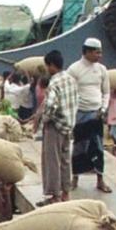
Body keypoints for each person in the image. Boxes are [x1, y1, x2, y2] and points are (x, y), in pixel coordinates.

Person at [68, 37, 112, 194]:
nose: (100, 55)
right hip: (80, 114)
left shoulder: (102, 70)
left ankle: (100, 180)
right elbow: (69, 93)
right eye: (96, 52)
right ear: (87, 51)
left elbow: (106, 92)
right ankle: (75, 178)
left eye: (100, 52)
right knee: (79, 147)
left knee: (98, 147)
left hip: (97, 113)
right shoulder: (74, 69)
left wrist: (103, 108)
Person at [37, 50, 76, 206]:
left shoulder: (54, 83)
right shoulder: (71, 79)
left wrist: (44, 119)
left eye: (48, 66)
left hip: (55, 126)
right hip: (68, 126)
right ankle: (65, 192)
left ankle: (54, 195)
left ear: (52, 65)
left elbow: (51, 105)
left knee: (52, 160)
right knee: (65, 160)